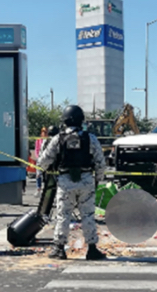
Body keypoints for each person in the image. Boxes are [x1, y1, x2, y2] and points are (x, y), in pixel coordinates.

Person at [37, 105, 107, 260]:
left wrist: (49, 169)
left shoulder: (57, 139)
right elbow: (101, 164)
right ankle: (92, 249)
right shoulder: (91, 138)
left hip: (65, 181)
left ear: (65, 121)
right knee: (88, 215)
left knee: (63, 215)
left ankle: (59, 248)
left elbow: (42, 162)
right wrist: (96, 180)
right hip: (86, 179)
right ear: (81, 120)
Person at [34, 127, 48, 196]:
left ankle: (45, 189)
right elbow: (36, 150)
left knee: (46, 175)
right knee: (38, 175)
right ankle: (38, 189)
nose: (45, 133)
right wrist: (38, 157)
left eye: (46, 132)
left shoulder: (49, 140)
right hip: (39, 160)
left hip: (46, 159)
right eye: (43, 132)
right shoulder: (38, 140)